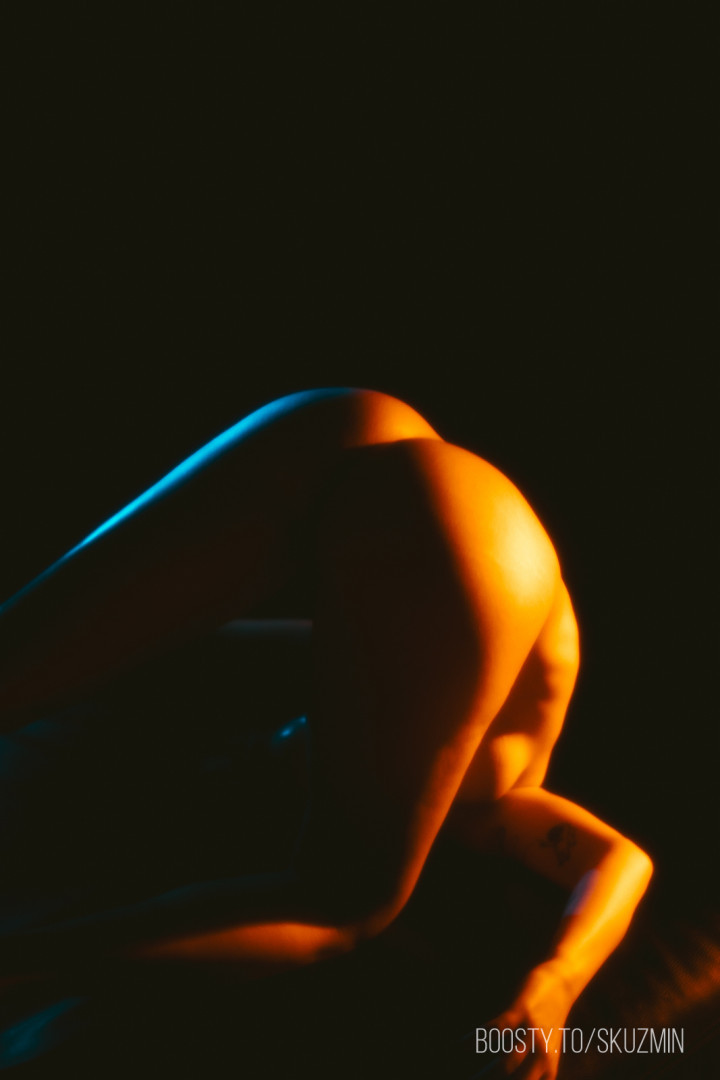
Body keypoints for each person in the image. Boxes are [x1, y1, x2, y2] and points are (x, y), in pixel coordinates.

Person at [0, 388, 652, 1078]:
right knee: (347, 906)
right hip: (487, 552)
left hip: (365, 429)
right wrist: (557, 982)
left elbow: (227, 645)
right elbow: (623, 861)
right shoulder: (490, 810)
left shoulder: (376, 695)